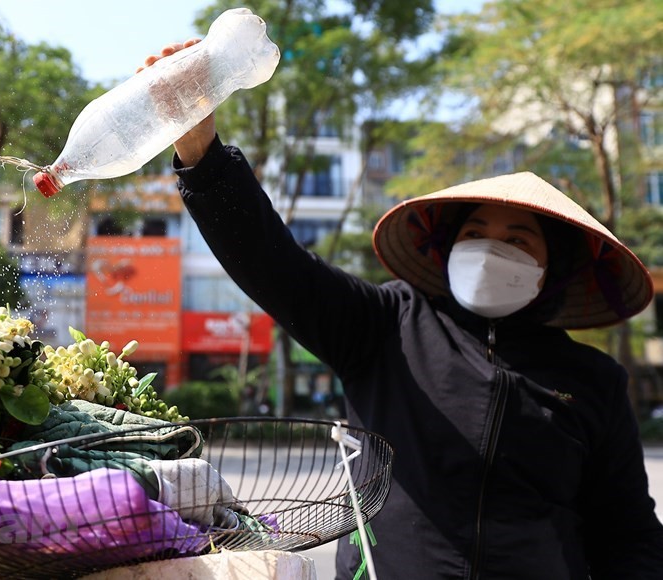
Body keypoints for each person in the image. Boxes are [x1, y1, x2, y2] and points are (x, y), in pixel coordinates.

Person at [145, 41, 663, 578]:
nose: (491, 249)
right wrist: (200, 149)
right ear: (448, 248)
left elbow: (629, 533)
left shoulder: (594, 380)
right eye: (475, 233)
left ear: (551, 268)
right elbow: (272, 263)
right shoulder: (384, 325)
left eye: (517, 240)